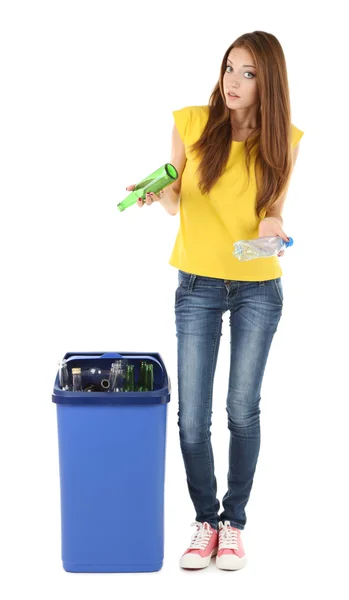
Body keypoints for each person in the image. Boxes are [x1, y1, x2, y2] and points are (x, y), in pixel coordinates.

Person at [126, 30, 304, 571]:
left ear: (267, 82)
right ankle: (205, 521)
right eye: (230, 67)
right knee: (191, 418)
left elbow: (272, 211)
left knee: (241, 411)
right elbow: (177, 204)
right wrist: (158, 195)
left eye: (249, 73)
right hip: (197, 286)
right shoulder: (191, 123)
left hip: (257, 288)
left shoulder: (283, 140)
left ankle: (234, 525)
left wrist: (273, 230)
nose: (233, 81)